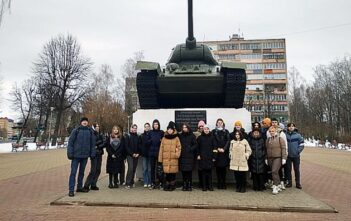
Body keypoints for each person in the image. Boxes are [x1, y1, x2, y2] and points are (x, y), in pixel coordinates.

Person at [67, 117, 96, 197]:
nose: (85, 122)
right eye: (83, 121)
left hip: (85, 156)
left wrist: (92, 153)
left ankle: (79, 187)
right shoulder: (76, 131)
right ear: (81, 122)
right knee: (73, 172)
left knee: (81, 172)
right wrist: (70, 153)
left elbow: (92, 144)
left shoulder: (90, 131)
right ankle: (71, 190)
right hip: (76, 156)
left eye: (86, 121)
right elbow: (70, 143)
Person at [158, 122, 181, 191]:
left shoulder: (176, 138)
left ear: (173, 130)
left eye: (171, 129)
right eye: (168, 129)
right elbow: (161, 149)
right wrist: (160, 159)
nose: (170, 130)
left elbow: (179, 147)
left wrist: (176, 154)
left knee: (172, 173)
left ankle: (172, 185)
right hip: (166, 159)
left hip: (174, 158)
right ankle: (167, 185)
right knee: (167, 173)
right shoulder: (164, 138)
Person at [83, 123, 105, 191]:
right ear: (93, 127)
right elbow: (92, 143)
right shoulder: (92, 134)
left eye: (98, 126)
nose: (97, 128)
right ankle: (86, 185)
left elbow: (104, 142)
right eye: (96, 126)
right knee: (93, 170)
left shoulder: (100, 134)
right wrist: (99, 142)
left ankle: (93, 184)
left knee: (98, 170)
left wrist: (98, 145)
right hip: (94, 154)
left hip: (100, 153)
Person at [267, 118, 288, 190]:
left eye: (273, 131)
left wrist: (284, 157)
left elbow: (284, 147)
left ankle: (276, 185)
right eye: (270, 131)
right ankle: (278, 184)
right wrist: (266, 158)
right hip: (270, 157)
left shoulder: (280, 137)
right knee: (275, 172)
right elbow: (267, 149)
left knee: (274, 171)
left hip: (278, 157)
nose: (271, 132)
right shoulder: (268, 139)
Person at [197, 124, 217, 191]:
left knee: (209, 173)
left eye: (207, 129)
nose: (206, 130)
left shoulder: (212, 138)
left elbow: (215, 148)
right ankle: (204, 186)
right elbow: (198, 148)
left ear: (209, 130)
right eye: (205, 129)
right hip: (202, 157)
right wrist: (198, 155)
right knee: (203, 173)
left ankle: (210, 186)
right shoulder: (200, 138)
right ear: (203, 130)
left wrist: (214, 156)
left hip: (210, 157)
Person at [212, 118, 230, 189]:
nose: (219, 123)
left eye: (221, 122)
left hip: (224, 153)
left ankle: (223, 183)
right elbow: (213, 141)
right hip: (217, 153)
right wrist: (217, 148)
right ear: (216, 123)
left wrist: (224, 149)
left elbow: (228, 141)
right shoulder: (213, 131)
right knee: (218, 169)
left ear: (223, 123)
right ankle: (219, 183)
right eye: (218, 122)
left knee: (224, 169)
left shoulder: (226, 131)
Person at [285, 123, 304, 189]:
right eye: (289, 126)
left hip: (296, 156)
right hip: (288, 156)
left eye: (292, 126)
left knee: (296, 170)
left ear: (294, 127)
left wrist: (298, 151)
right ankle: (289, 182)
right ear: (287, 127)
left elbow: (301, 144)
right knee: (288, 169)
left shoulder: (298, 135)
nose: (291, 127)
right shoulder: (285, 135)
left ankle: (298, 183)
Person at [248, 122, 266, 191]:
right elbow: (249, 148)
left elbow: (264, 148)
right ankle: (255, 187)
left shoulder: (262, 140)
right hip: (253, 159)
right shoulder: (251, 140)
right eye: (254, 133)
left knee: (261, 173)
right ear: (252, 133)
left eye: (257, 133)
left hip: (261, 159)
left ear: (259, 133)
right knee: (254, 173)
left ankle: (261, 186)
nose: (256, 134)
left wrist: (262, 154)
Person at [179, 123, 197, 191]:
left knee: (189, 172)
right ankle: (184, 185)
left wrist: (190, 149)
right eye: (183, 127)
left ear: (188, 128)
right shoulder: (180, 136)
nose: (184, 129)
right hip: (183, 156)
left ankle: (189, 185)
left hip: (190, 156)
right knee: (183, 172)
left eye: (185, 127)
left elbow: (195, 145)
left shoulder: (192, 136)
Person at [148, 119, 164, 189]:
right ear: (153, 125)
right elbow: (146, 142)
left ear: (158, 125)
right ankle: (152, 182)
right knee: (152, 169)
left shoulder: (161, 132)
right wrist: (151, 140)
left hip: (159, 153)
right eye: (154, 124)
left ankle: (159, 182)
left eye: (157, 124)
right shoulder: (150, 132)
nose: (156, 125)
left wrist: (161, 141)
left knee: (159, 169)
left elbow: (164, 141)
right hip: (151, 153)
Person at [125, 124, 141, 189]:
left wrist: (138, 153)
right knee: (130, 168)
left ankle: (132, 181)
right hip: (129, 155)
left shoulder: (138, 136)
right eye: (133, 128)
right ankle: (127, 183)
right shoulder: (128, 136)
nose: (134, 129)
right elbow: (126, 147)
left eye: (135, 128)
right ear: (131, 128)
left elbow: (139, 146)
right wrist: (132, 154)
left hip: (136, 155)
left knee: (134, 169)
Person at [193, 120, 205, 189]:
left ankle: (204, 183)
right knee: (199, 169)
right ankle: (200, 183)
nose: (201, 127)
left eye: (202, 126)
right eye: (200, 126)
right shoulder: (196, 133)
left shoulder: (207, 133)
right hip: (198, 154)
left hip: (205, 154)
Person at [140, 123, 152, 188]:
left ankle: (150, 182)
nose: (147, 128)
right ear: (144, 128)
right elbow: (141, 144)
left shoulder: (151, 134)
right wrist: (142, 151)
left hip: (150, 154)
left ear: (150, 127)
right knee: (145, 169)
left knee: (149, 169)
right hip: (144, 155)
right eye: (145, 127)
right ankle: (145, 182)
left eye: (148, 126)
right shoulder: (142, 135)